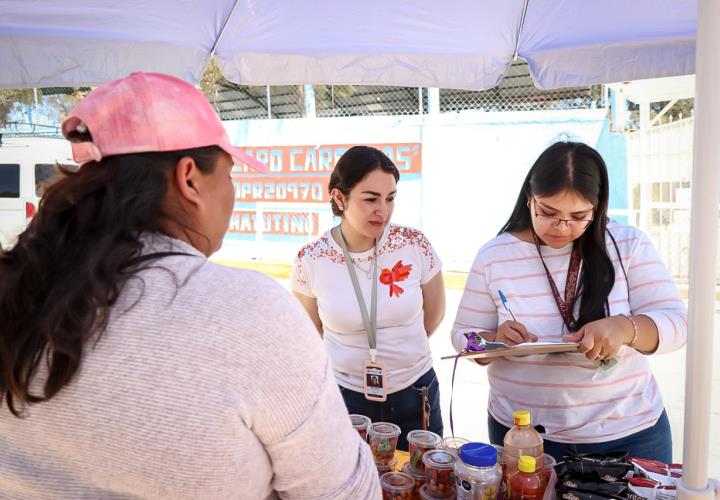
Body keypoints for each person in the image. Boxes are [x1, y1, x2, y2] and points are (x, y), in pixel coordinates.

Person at [0, 72, 380, 499]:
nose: (232, 193)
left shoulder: (17, 286)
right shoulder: (249, 313)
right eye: (229, 175)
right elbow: (346, 493)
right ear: (189, 178)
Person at [451, 141, 686, 463]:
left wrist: (624, 328)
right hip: (525, 435)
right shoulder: (495, 255)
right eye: (547, 213)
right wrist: (492, 341)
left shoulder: (628, 244)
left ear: (598, 207)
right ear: (529, 198)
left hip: (628, 432)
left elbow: (678, 324)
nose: (562, 227)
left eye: (579, 216)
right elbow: (464, 339)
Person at [291, 145, 446, 451]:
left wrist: (398, 354)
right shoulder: (311, 259)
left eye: (390, 198)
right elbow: (313, 333)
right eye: (371, 199)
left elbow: (436, 312)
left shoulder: (413, 244)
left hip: (415, 390)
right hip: (346, 395)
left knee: (422, 484)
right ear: (339, 198)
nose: (383, 210)